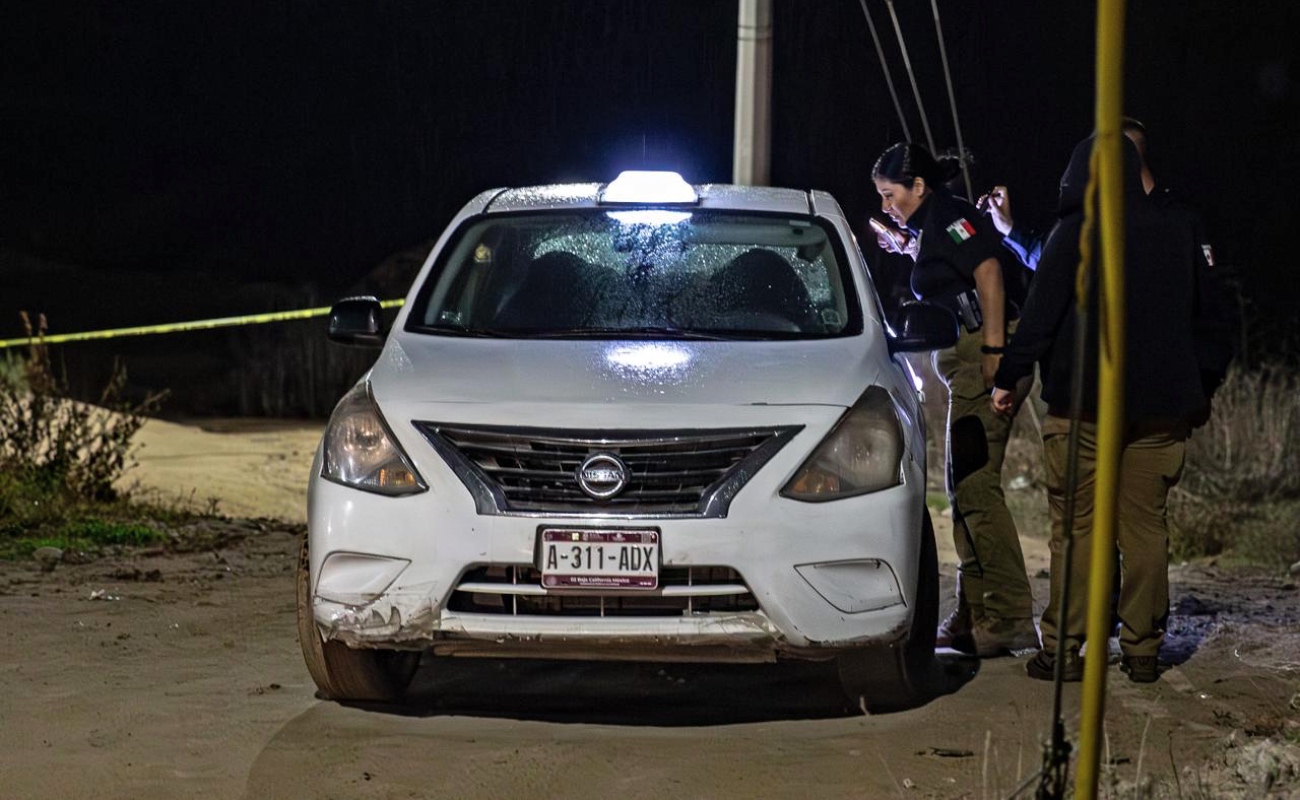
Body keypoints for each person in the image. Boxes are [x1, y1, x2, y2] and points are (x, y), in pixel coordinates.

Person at [990, 133, 1234, 683]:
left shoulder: (1073, 234)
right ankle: (1143, 651)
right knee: (1146, 528)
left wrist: (1009, 377)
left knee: (1076, 528)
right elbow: (1215, 320)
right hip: (1161, 411)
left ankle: (1065, 649)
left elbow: (1038, 319)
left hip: (1083, 411)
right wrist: (1202, 386)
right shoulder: (1180, 230)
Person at [870, 142, 1038, 657]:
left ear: (918, 187)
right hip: (962, 362)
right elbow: (953, 272)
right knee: (964, 489)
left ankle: (1008, 616)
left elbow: (988, 271)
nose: (885, 206)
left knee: (977, 488)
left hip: (980, 356)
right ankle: (974, 611)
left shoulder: (949, 215)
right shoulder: (930, 226)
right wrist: (909, 248)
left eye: (889, 194)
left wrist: (994, 351)